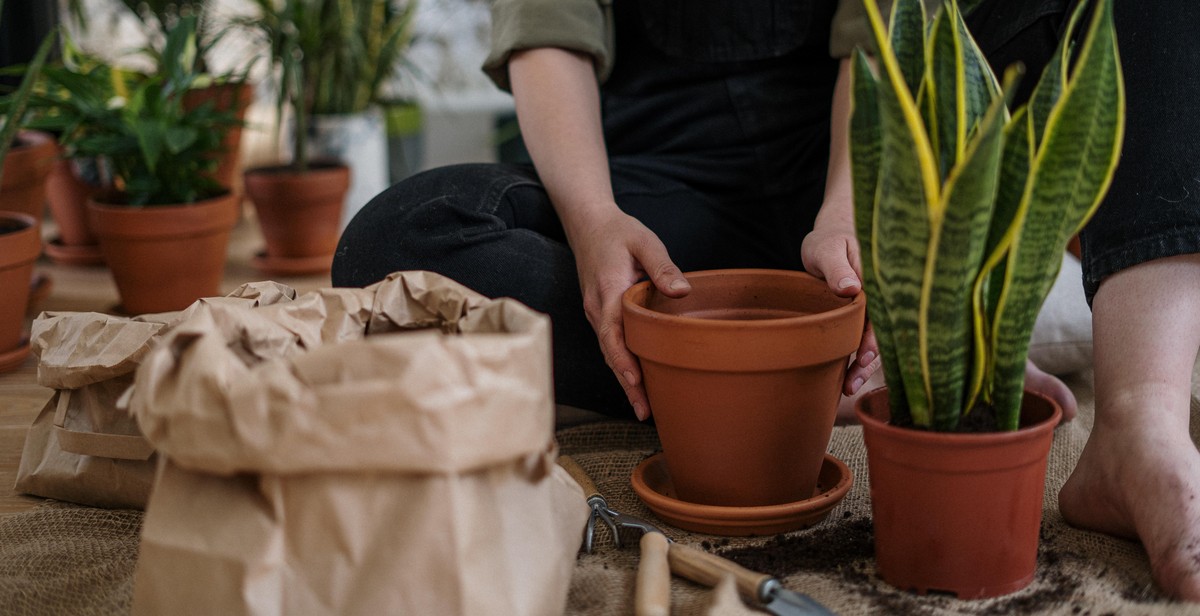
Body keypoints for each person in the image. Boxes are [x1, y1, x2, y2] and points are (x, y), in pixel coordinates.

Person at [332, 0, 1198, 600]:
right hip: (655, 214)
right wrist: (596, 224)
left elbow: (885, 36)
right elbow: (548, 36)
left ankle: (1137, 426)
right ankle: (792, 375)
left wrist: (851, 220)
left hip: (850, 177)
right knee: (394, 238)